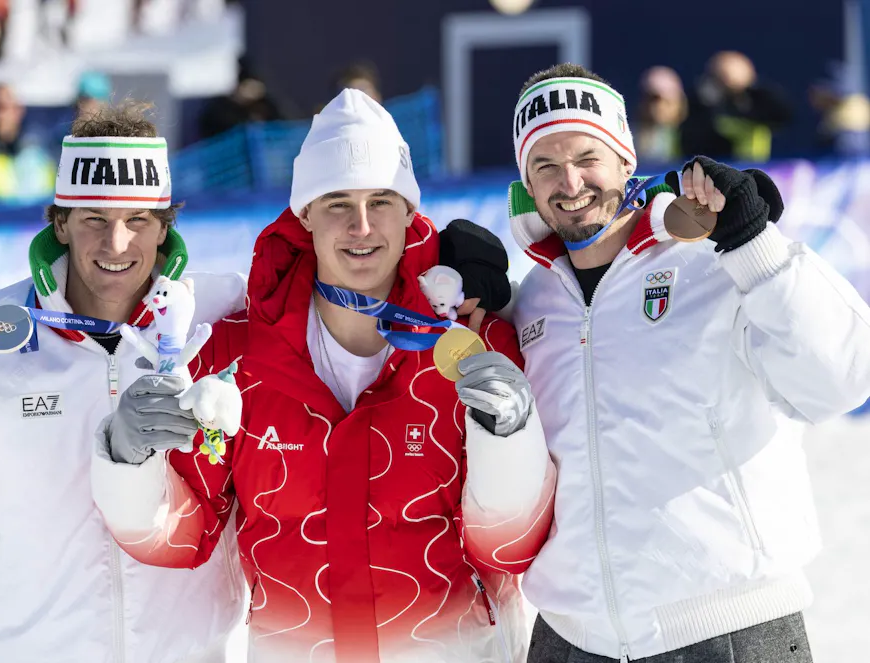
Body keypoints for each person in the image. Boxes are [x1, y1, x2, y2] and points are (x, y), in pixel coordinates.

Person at [92, 88, 557, 662]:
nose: (361, 226)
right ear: (305, 214)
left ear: (409, 212)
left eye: (381, 200)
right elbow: (178, 539)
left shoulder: (472, 345)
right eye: (337, 202)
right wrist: (128, 460)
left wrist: (510, 440)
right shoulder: (236, 358)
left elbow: (509, 548)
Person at [506, 62, 870, 663]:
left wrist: (756, 244)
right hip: (570, 639)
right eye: (545, 164)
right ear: (527, 180)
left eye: (587, 157)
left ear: (626, 158)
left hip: (727, 631)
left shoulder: (714, 260)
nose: (570, 181)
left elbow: (842, 380)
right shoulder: (532, 302)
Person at [0, 102, 247, 662]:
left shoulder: (222, 317)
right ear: (60, 223)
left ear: (164, 227)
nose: (116, 243)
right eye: (94, 218)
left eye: (138, 220)